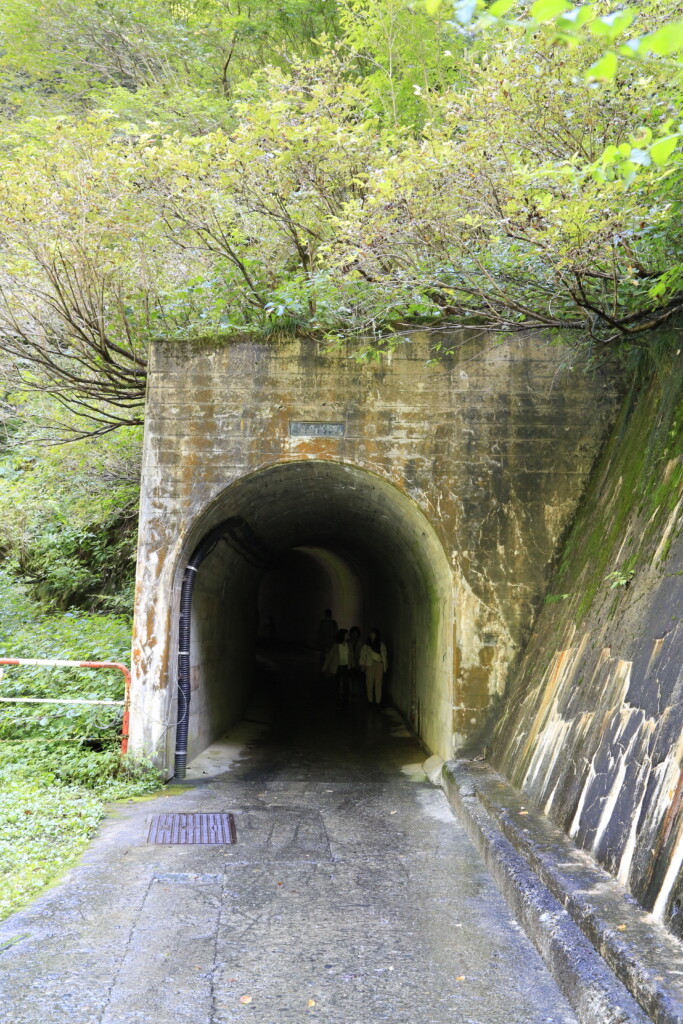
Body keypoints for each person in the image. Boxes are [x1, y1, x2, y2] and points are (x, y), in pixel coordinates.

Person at [323, 628, 353, 707]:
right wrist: (325, 667)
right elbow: (330, 656)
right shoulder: (336, 645)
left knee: (346, 683)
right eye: (346, 634)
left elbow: (351, 656)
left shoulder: (348, 645)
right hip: (338, 666)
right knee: (337, 682)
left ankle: (345, 698)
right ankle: (337, 699)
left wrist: (352, 665)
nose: (348, 635)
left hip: (346, 666)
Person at [360, 629, 388, 706]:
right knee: (369, 683)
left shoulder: (381, 645)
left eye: (374, 633)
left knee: (378, 683)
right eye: (371, 633)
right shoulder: (366, 646)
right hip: (369, 665)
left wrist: (385, 666)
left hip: (379, 665)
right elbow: (363, 656)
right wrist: (362, 665)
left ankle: (378, 702)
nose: (372, 635)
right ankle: (370, 701)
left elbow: (384, 657)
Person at [348, 625, 363, 702]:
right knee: (349, 678)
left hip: (357, 663)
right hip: (349, 663)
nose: (354, 634)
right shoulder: (347, 642)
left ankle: (354, 693)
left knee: (355, 679)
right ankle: (349, 692)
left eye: (356, 633)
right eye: (353, 633)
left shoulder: (360, 643)